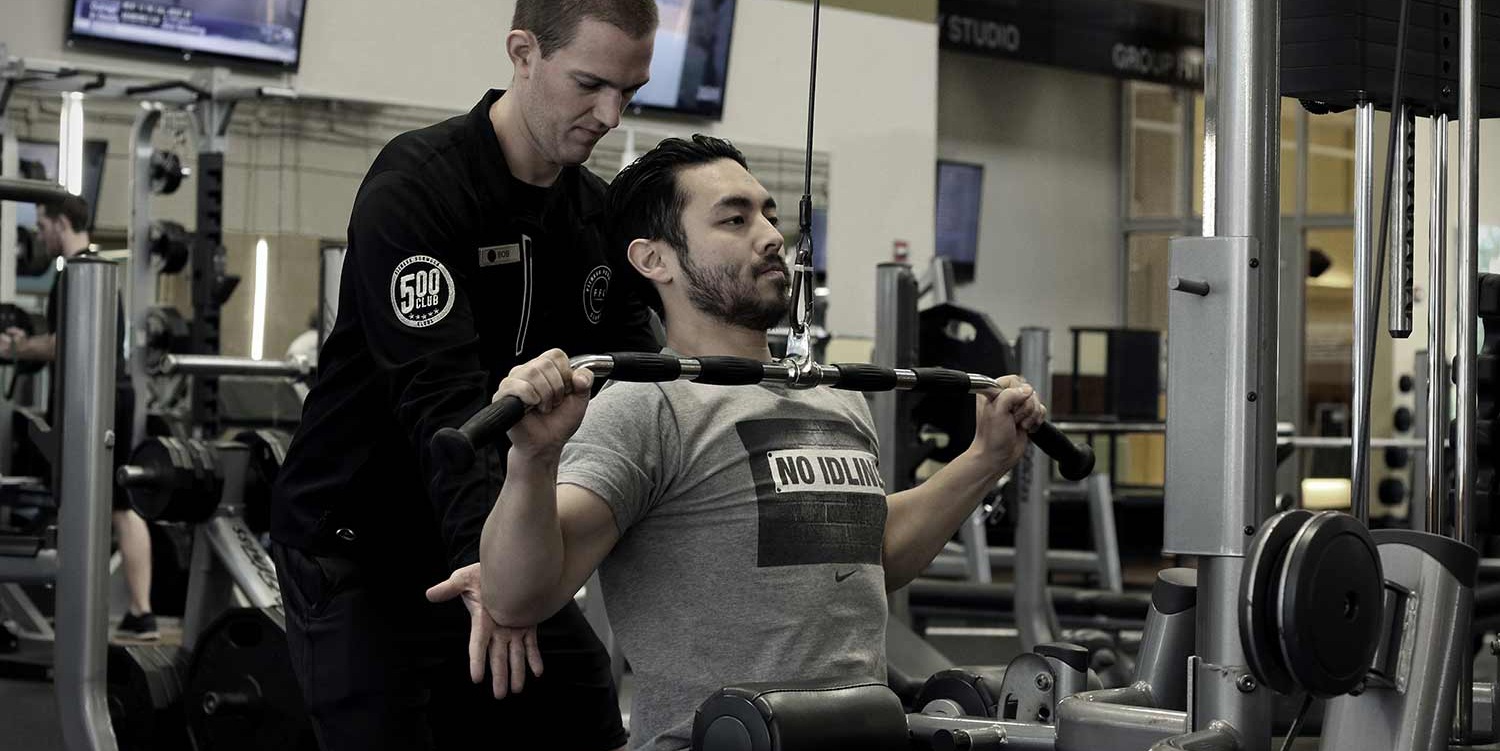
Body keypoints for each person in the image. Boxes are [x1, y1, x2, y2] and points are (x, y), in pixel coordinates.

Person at [478, 135, 1048, 750]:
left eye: (770, 214)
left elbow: (874, 555)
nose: (772, 235)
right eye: (735, 218)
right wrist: (532, 460)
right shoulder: (647, 404)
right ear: (654, 260)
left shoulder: (836, 396)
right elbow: (516, 596)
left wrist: (985, 459)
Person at [267, 2, 661, 749]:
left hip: (491, 538)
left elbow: (638, 375)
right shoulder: (418, 186)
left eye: (629, 92)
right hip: (361, 547)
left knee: (586, 724)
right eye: (590, 84)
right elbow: (441, 405)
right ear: (522, 53)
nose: (610, 114)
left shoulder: (594, 214)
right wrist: (489, 568)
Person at [0, 195, 154, 640]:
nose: (41, 235)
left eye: (43, 225)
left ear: (62, 222)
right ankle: (140, 613)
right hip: (110, 393)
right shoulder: (97, 268)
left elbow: (62, 343)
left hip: (93, 398)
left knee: (82, 501)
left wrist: (13, 347)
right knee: (120, 507)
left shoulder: (79, 273)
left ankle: (82, 612)